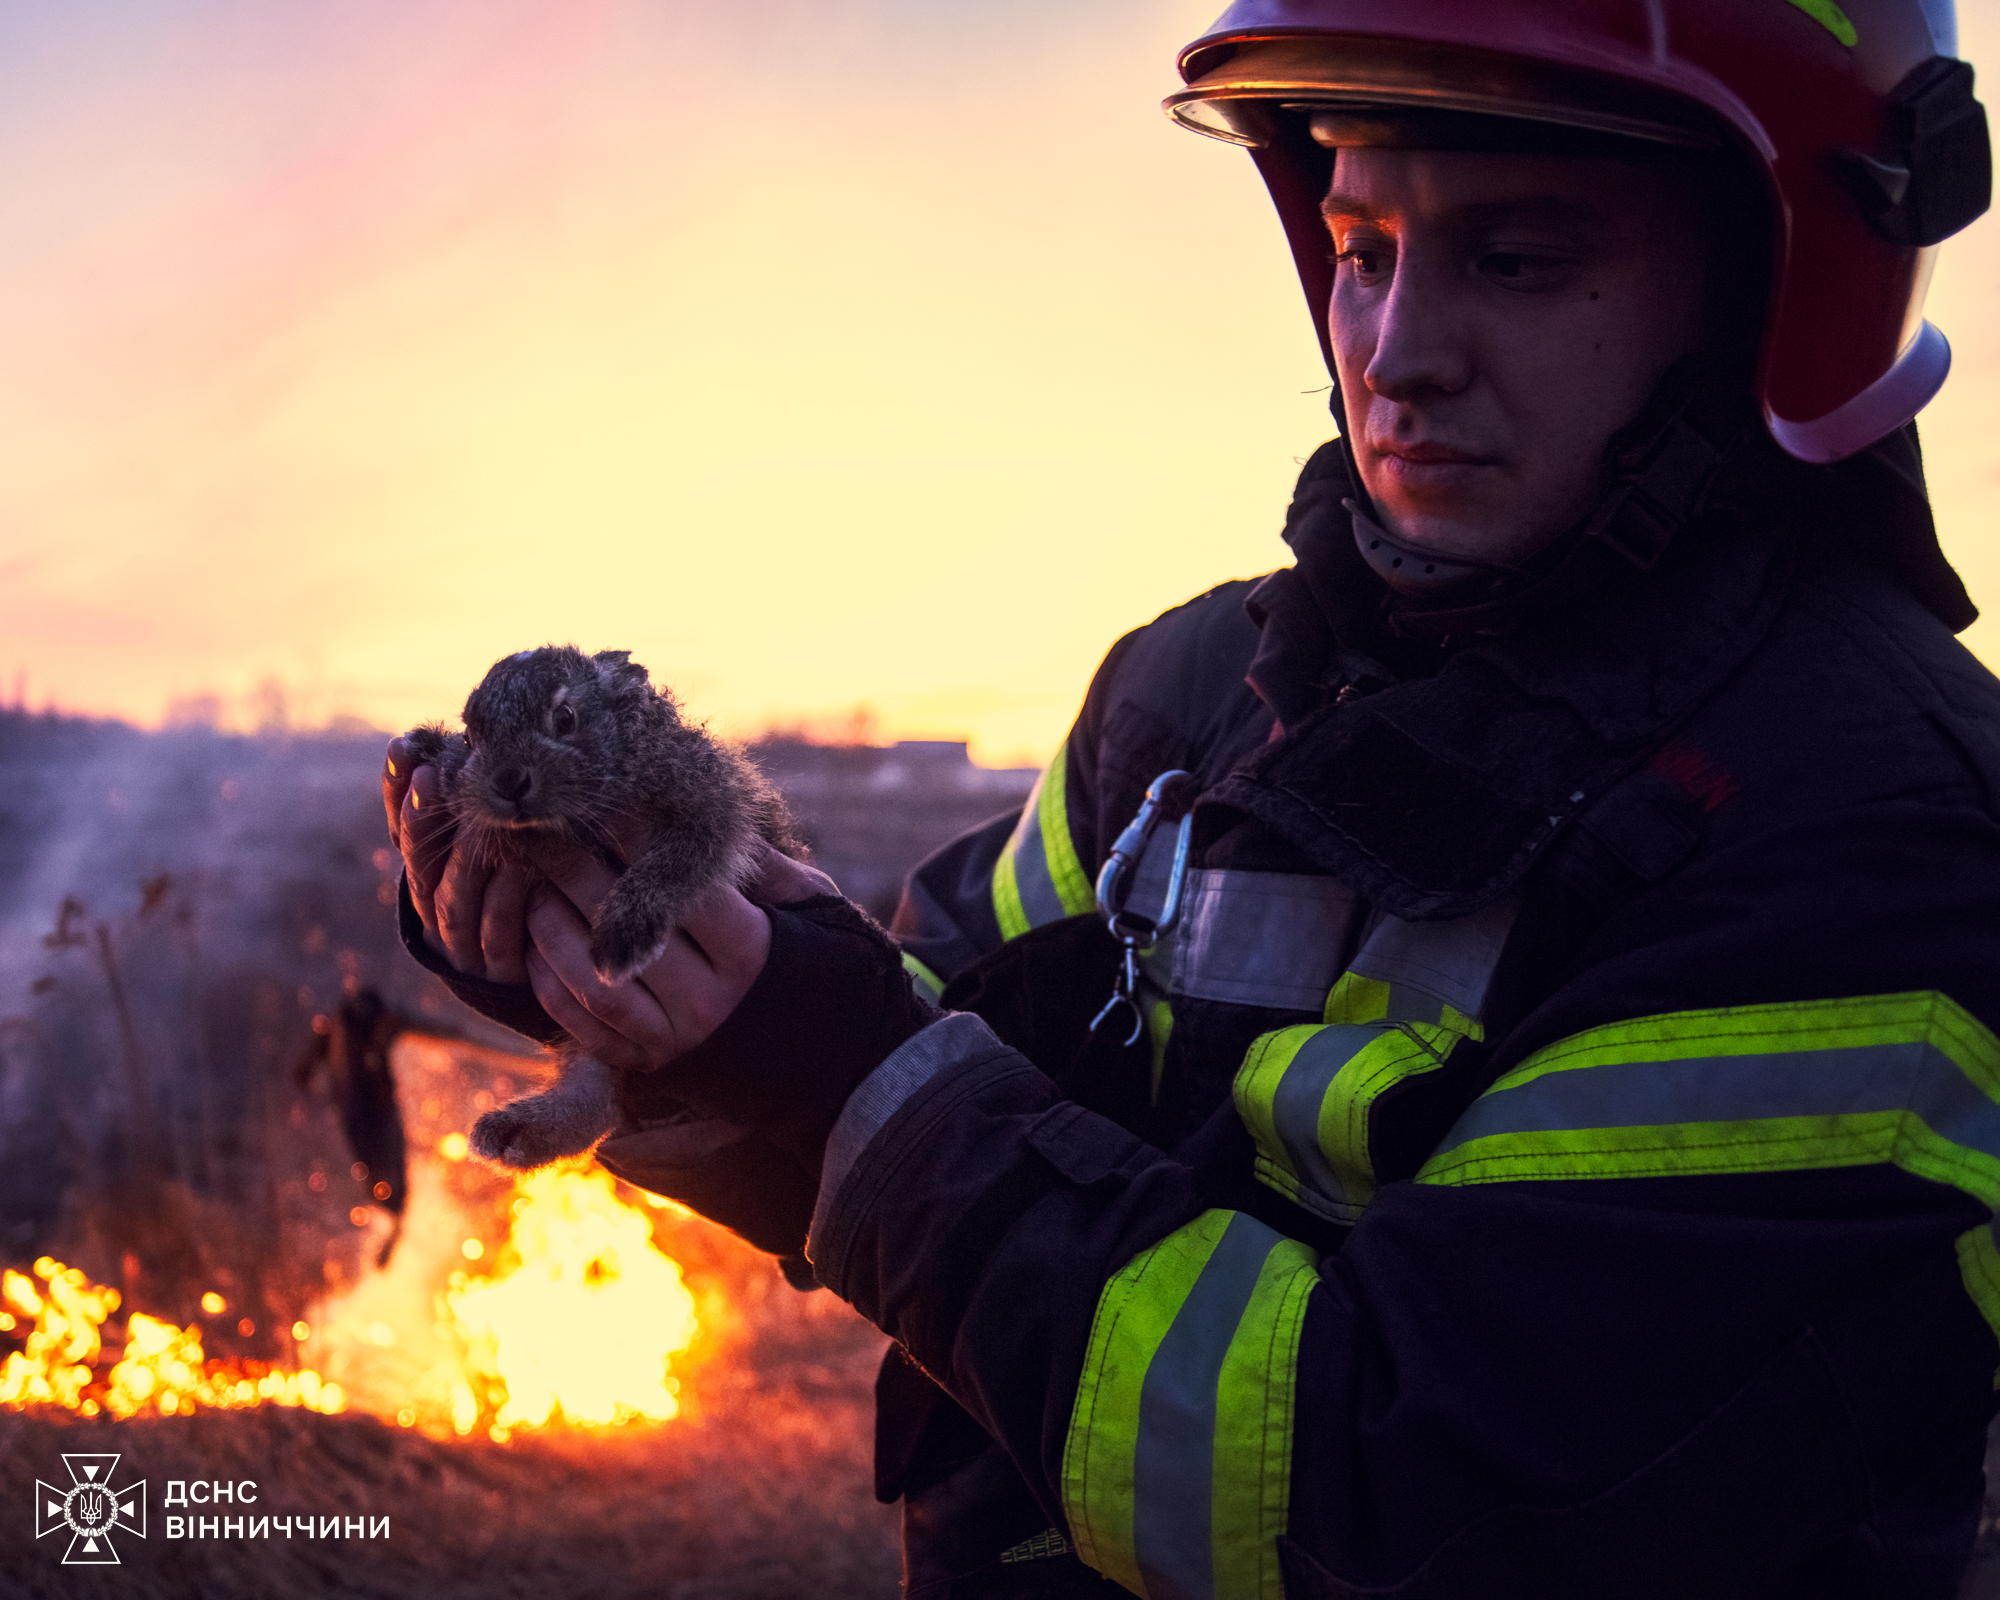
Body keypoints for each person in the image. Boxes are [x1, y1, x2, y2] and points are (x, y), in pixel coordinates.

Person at [385, 1, 2000, 1593]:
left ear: (1779, 276)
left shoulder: (1871, 841)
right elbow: (933, 1048)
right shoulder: (1193, 690)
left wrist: (840, 1078)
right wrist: (634, 955)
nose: (1394, 351)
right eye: (1363, 250)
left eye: (1515, 257)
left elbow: (1378, 1499)